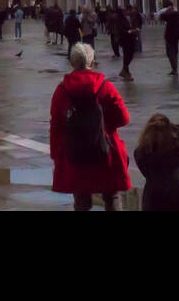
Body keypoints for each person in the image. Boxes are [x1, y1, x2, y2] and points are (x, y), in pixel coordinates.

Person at [48, 42, 131, 211]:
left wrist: (56, 153)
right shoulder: (105, 87)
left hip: (74, 151)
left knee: (81, 200)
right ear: (91, 63)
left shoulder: (62, 90)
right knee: (112, 195)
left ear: (72, 63)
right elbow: (124, 118)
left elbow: (56, 124)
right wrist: (104, 125)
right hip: (104, 149)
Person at [134, 114, 179, 212]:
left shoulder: (140, 153)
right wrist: (172, 127)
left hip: (157, 199)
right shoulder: (173, 146)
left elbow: (147, 174)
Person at [158, 1, 179, 75]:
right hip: (175, 36)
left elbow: (161, 17)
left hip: (170, 36)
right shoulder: (176, 13)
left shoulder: (173, 14)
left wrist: (166, 11)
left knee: (170, 53)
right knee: (174, 52)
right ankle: (174, 69)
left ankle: (174, 69)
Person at [117, 7, 140, 81]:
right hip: (125, 40)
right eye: (124, 11)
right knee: (127, 56)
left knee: (130, 55)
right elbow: (123, 31)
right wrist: (131, 31)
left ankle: (125, 71)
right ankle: (125, 72)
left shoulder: (127, 19)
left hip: (130, 39)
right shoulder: (120, 20)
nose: (126, 12)